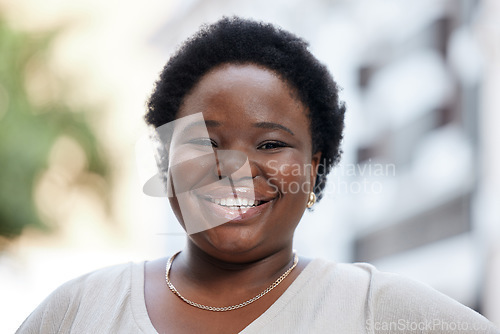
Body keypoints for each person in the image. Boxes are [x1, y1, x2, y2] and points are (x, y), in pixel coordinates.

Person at [17, 17, 499, 334]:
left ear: (314, 170)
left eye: (271, 144)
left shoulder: (378, 311)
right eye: (205, 142)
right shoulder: (80, 310)